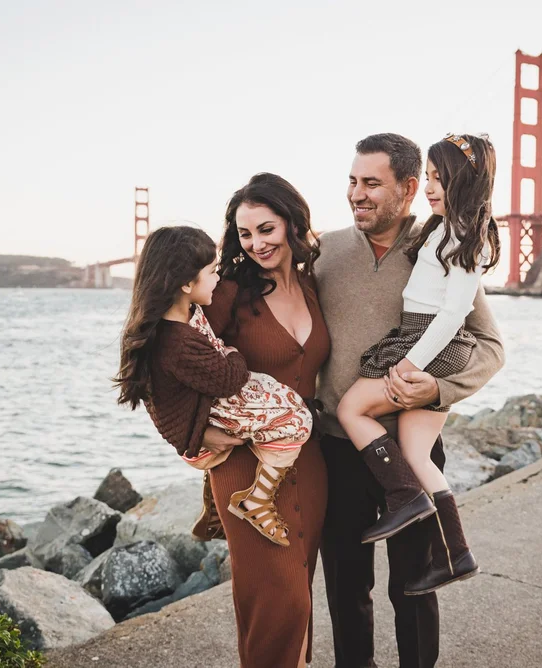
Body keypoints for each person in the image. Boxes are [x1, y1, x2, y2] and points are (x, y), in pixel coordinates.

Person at [316, 133, 505, 667]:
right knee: (346, 591)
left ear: (409, 188)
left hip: (411, 441)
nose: (357, 193)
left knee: (415, 589)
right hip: (338, 448)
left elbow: (488, 347)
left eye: (371, 183)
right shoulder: (324, 251)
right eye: (352, 181)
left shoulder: (440, 244)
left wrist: (439, 388)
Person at [198, 172, 331, 667]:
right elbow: (165, 362)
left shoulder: (316, 285)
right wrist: (194, 433)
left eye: (267, 229)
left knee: (301, 590)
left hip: (310, 460)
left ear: (293, 223)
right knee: (275, 600)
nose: (256, 244)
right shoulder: (229, 292)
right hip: (242, 469)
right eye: (245, 233)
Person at [113, 225, 313, 548]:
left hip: (204, 416)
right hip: (205, 427)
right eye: (210, 272)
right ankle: (257, 501)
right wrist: (234, 355)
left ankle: (212, 504)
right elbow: (228, 379)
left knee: (280, 397)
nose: (217, 278)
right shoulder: (176, 343)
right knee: (298, 422)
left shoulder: (184, 314)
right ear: (186, 283)